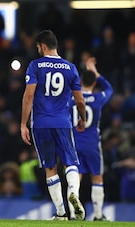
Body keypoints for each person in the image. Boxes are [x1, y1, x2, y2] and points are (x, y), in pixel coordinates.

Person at [20, 30, 86, 221]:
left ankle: (61, 212)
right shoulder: (70, 68)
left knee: (50, 167)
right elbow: (80, 101)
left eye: (38, 46)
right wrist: (82, 118)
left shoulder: (35, 66)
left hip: (40, 123)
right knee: (70, 162)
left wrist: (23, 123)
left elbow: (29, 95)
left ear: (42, 45)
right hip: (62, 122)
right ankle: (73, 191)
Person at [69, 57, 113, 221]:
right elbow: (109, 88)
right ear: (94, 83)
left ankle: (74, 214)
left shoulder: (71, 99)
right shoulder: (99, 98)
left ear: (80, 81)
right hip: (92, 144)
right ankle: (98, 214)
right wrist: (95, 72)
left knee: (75, 178)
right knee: (97, 176)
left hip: (74, 143)